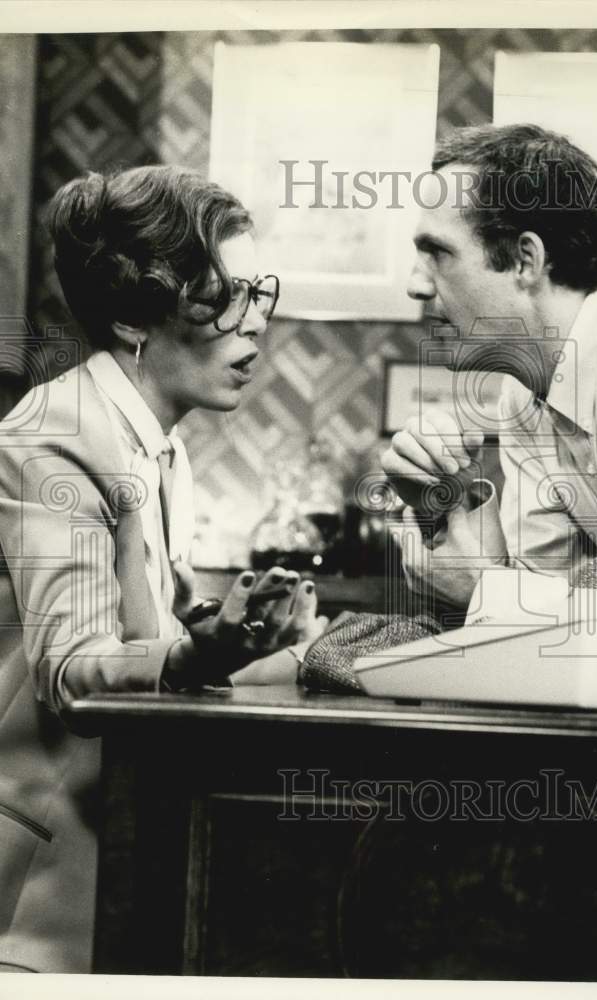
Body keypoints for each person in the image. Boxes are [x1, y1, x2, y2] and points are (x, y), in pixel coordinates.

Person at [0, 165, 326, 972]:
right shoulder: (56, 437)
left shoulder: (147, 438)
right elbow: (70, 670)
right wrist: (196, 653)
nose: (255, 327)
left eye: (260, 295)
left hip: (100, 838)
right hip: (30, 872)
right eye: (223, 298)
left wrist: (299, 649)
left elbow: (155, 628)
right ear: (131, 314)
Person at [382, 123, 597, 613]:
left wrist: (483, 594)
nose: (415, 286)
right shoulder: (524, 393)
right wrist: (453, 509)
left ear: (524, 261)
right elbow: (546, 605)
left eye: (438, 253)